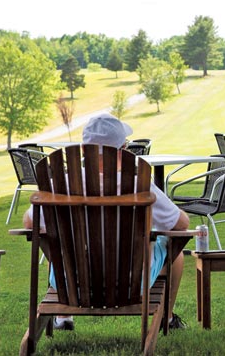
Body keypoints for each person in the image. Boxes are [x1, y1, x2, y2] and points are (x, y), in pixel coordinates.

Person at [23, 113, 190, 330]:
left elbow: (30, 223)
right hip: (131, 284)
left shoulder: (59, 185)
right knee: (173, 250)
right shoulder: (139, 184)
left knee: (57, 242)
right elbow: (181, 225)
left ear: (83, 150)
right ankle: (166, 319)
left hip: (70, 282)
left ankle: (63, 317)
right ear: (121, 151)